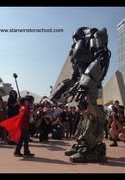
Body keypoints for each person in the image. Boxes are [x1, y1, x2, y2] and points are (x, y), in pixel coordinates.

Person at [50, 27, 111, 162]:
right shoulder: (79, 46)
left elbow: (102, 59)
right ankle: (83, 143)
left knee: (96, 112)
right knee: (85, 113)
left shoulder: (94, 39)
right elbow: (75, 74)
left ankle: (93, 147)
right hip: (83, 83)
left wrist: (86, 83)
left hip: (94, 85)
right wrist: (61, 91)